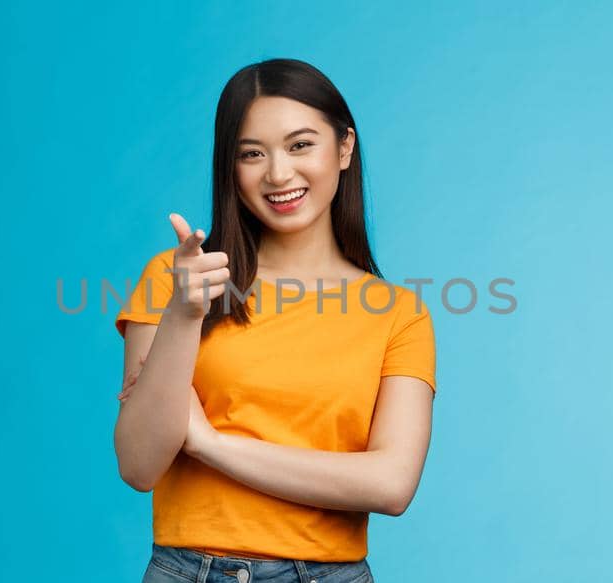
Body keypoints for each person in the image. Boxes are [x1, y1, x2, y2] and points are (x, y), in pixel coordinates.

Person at [113, 58, 436, 583]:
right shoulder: (180, 279)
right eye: (251, 154)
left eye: (300, 144)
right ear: (229, 166)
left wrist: (208, 443)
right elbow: (139, 466)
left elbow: (391, 485)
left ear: (344, 148)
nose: (278, 174)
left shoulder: (398, 314)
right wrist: (184, 314)